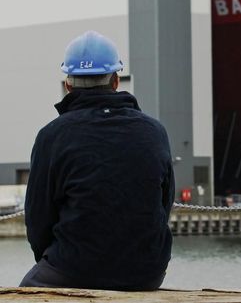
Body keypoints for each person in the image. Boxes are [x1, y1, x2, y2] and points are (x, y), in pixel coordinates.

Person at [20, 31, 175, 290]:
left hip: (72, 268)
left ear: (68, 84)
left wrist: (54, 260)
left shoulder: (52, 135)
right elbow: (163, 204)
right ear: (116, 80)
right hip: (147, 272)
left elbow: (38, 219)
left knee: (25, 291)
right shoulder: (154, 131)